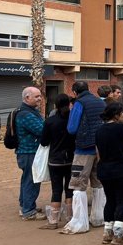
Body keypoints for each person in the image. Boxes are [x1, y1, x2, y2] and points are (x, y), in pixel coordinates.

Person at [62, 81, 106, 235]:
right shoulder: (99, 102)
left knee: (78, 184)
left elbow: (72, 128)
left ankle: (80, 222)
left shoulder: (79, 103)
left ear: (75, 92)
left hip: (83, 148)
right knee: (98, 183)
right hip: (100, 147)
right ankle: (98, 217)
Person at [95, 102, 123, 245]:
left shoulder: (99, 130)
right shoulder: (120, 127)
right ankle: (119, 234)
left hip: (104, 169)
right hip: (121, 168)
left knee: (110, 199)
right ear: (116, 115)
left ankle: (107, 232)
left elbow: (98, 152)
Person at [39, 94, 75, 229]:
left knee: (56, 189)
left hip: (55, 159)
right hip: (71, 158)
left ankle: (53, 221)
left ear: (55, 105)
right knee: (70, 188)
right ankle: (70, 218)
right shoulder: (73, 120)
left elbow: (44, 142)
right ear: (69, 104)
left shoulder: (50, 121)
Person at [15, 87, 46, 221]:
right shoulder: (26, 114)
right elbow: (41, 130)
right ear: (27, 98)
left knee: (27, 179)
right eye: (36, 96)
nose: (40, 99)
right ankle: (29, 211)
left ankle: (25, 205)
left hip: (27, 152)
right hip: (29, 152)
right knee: (32, 180)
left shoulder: (29, 111)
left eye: (40, 96)